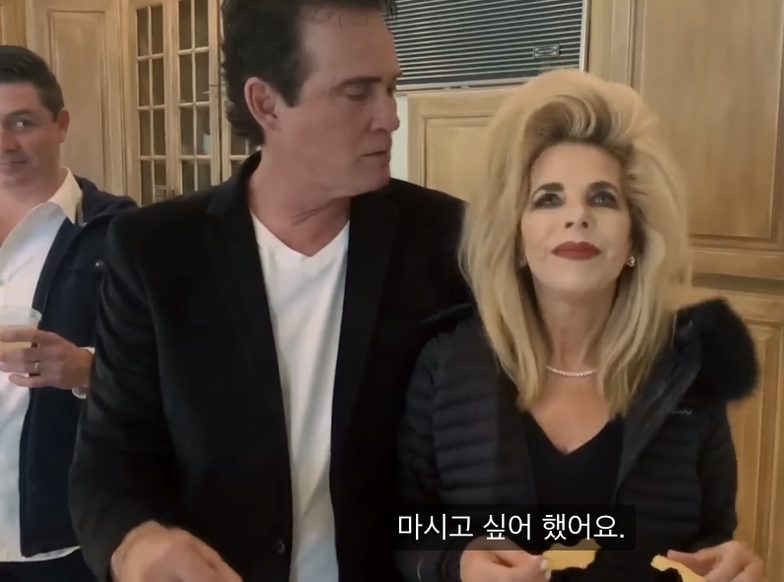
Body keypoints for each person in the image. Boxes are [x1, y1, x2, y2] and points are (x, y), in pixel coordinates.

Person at [66, 1, 470, 581]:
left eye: (391, 88)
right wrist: (136, 543)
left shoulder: (447, 240)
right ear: (266, 103)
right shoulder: (155, 252)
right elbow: (110, 458)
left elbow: (477, 458)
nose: (390, 117)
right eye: (357, 92)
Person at [395, 69, 766, 582]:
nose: (578, 217)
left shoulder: (688, 374)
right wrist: (456, 565)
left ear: (635, 238)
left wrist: (730, 565)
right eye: (548, 198)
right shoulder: (445, 366)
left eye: (603, 198)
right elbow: (407, 531)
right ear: (516, 238)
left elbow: (709, 538)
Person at [0, 45, 136, 581]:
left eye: (22, 123)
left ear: (61, 125)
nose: (4, 143)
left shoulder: (120, 233)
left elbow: (172, 372)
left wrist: (86, 368)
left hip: (60, 539)